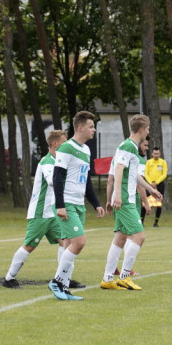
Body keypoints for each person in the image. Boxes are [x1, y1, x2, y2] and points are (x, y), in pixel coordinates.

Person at [47, 111, 105, 301]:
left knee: (67, 245)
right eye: (91, 126)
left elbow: (86, 180)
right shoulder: (66, 148)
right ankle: (57, 282)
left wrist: (96, 204)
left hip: (79, 204)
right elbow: (57, 177)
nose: (93, 130)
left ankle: (62, 287)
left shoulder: (86, 150)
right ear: (79, 127)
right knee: (79, 242)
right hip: (68, 203)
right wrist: (61, 205)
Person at [2, 130, 72, 288]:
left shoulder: (59, 161)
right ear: (55, 144)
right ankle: (9, 278)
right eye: (64, 141)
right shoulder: (47, 162)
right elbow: (52, 180)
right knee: (30, 245)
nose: (67, 144)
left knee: (64, 242)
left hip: (52, 212)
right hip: (40, 212)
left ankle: (62, 278)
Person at [101, 115, 162, 291]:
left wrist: (151, 190)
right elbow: (118, 169)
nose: (149, 132)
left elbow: (134, 175)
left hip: (124, 198)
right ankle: (125, 277)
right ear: (142, 129)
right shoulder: (128, 146)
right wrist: (118, 194)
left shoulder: (131, 147)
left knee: (120, 238)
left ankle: (107, 279)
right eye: (148, 129)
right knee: (139, 237)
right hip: (126, 200)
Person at [145, 146, 167, 227]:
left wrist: (156, 182)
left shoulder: (162, 162)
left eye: (157, 153)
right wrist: (151, 182)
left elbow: (164, 174)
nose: (156, 155)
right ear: (152, 154)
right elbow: (146, 173)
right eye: (155, 153)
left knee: (158, 202)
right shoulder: (148, 162)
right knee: (145, 201)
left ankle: (156, 222)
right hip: (149, 184)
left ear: (160, 154)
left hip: (159, 184)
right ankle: (141, 221)